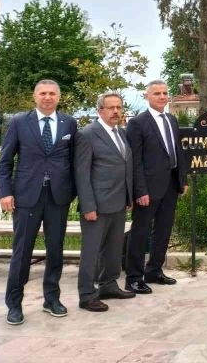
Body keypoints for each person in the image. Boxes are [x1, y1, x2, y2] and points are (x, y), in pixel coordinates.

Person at [0, 79, 78, 325]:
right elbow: (5, 161)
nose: (47, 97)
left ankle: (51, 299)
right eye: (43, 93)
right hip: (26, 197)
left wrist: (73, 192)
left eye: (52, 93)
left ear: (58, 97)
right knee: (22, 252)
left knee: (55, 250)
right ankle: (14, 304)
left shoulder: (69, 123)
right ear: (35, 96)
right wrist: (5, 192)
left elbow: (74, 161)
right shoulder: (19, 122)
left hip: (57, 197)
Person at [125, 80, 188, 294]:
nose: (162, 97)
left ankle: (154, 270)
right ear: (147, 97)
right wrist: (139, 190)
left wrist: (182, 179)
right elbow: (135, 160)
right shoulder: (138, 123)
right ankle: (134, 278)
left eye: (164, 93)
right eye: (157, 93)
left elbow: (177, 151)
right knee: (140, 231)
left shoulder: (171, 119)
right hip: (148, 187)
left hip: (170, 183)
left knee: (163, 229)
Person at [74, 92, 135, 312]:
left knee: (113, 249)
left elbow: (124, 165)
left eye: (119, 107)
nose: (116, 111)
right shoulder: (87, 135)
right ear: (100, 110)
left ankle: (109, 285)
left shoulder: (121, 133)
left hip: (118, 203)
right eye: (111, 108)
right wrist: (88, 205)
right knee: (91, 252)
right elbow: (82, 173)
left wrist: (128, 196)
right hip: (97, 206)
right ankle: (87, 295)